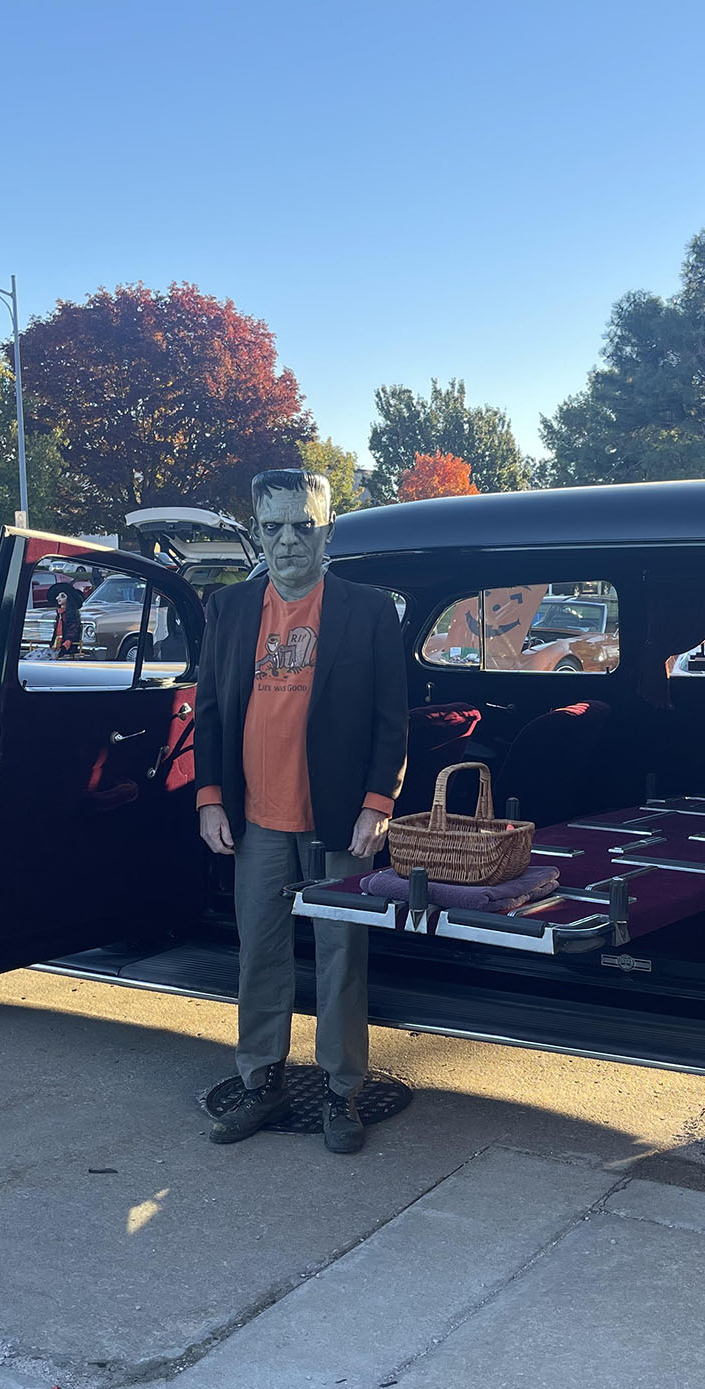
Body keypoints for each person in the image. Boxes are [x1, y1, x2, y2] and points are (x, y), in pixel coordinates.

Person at [195, 470, 407, 1154]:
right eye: (272, 526)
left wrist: (379, 804)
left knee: (343, 957)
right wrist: (208, 799)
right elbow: (208, 715)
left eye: (302, 525)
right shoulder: (227, 610)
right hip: (255, 820)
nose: (287, 540)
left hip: (339, 819)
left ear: (328, 530)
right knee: (260, 953)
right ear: (256, 531)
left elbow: (390, 722)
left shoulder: (368, 610)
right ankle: (259, 1080)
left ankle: (343, 1092)